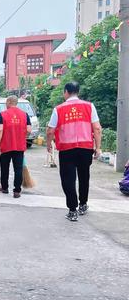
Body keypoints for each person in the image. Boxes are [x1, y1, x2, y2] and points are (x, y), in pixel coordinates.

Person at [46, 82, 102, 222]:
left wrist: (49, 145)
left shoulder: (58, 109)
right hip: (85, 148)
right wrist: (98, 147)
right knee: (84, 176)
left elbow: (50, 130)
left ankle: (72, 210)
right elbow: (97, 128)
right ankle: (83, 205)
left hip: (66, 149)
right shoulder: (89, 106)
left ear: (66, 92)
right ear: (78, 91)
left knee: (68, 179)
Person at [0, 95, 32, 198]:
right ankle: (17, 191)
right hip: (19, 146)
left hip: (5, 146)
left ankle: (5, 188)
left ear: (9, 102)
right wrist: (22, 136)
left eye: (6, 102)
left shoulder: (2, 114)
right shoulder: (25, 115)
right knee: (18, 169)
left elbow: (0, 129)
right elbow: (29, 130)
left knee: (4, 168)